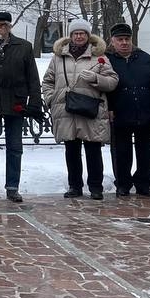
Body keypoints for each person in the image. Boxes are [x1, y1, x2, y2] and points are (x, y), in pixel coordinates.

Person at [41, 19, 118, 199]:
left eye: (82, 33)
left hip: (91, 110)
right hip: (66, 110)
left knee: (93, 150)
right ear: (70, 35)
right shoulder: (58, 57)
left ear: (88, 35)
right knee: (71, 150)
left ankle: (96, 187)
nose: (79, 36)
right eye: (76, 33)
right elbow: (48, 81)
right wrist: (51, 98)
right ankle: (74, 186)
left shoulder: (99, 56)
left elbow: (112, 81)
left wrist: (96, 79)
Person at [0, 10, 40, 203]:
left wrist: (35, 102)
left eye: (0, 25)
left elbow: (33, 78)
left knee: (14, 147)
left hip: (15, 102)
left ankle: (12, 187)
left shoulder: (24, 47)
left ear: (9, 27)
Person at [104, 23, 150, 197]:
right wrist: (109, 108)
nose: (124, 42)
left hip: (146, 112)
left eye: (127, 39)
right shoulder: (106, 60)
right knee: (121, 152)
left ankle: (143, 183)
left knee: (146, 152)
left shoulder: (144, 58)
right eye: (120, 39)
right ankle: (123, 184)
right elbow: (103, 87)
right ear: (112, 41)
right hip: (119, 113)